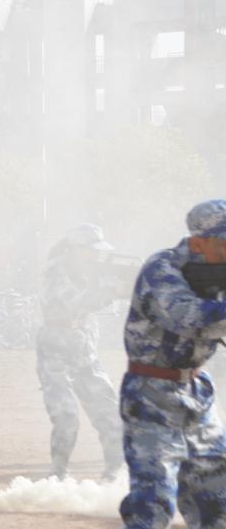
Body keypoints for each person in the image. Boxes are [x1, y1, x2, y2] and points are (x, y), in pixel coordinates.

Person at [119, 200, 226, 528]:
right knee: (153, 500)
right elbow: (185, 317)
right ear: (198, 242)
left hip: (197, 390)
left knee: (217, 497)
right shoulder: (162, 268)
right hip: (152, 392)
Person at [35, 223, 124, 481]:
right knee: (66, 417)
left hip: (84, 349)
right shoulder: (56, 272)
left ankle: (114, 472)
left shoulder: (88, 271)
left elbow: (101, 308)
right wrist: (111, 290)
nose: (96, 254)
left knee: (109, 411)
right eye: (90, 250)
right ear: (75, 249)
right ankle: (58, 473)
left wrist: (115, 285)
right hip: (56, 350)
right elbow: (80, 301)